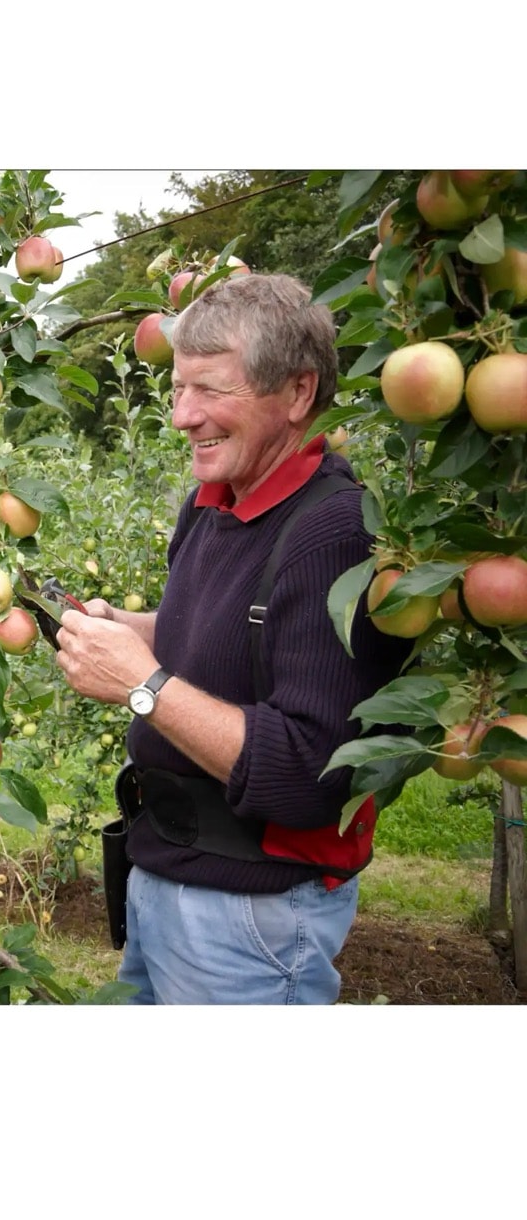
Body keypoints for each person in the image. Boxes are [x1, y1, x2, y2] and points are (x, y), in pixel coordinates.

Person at [55, 273, 412, 1005]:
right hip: (164, 875)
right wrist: (125, 632)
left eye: (211, 391)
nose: (183, 416)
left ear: (297, 393)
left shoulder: (333, 536)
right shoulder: (212, 502)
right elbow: (220, 639)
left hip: (252, 916)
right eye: (179, 389)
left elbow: (310, 772)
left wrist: (140, 685)